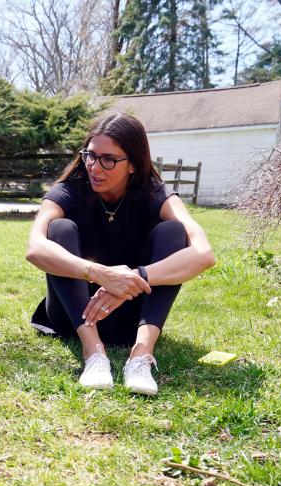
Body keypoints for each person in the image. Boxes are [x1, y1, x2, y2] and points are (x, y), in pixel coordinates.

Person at [25, 112, 215, 395]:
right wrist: (99, 273)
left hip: (131, 316)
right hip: (71, 314)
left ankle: (140, 357)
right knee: (59, 229)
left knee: (174, 232)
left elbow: (204, 254)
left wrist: (132, 280)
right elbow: (35, 247)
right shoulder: (68, 191)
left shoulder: (154, 194)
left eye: (108, 160)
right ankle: (94, 353)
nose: (95, 167)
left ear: (134, 165)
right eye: (90, 156)